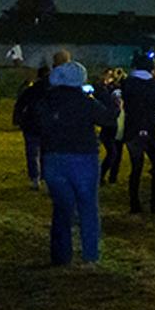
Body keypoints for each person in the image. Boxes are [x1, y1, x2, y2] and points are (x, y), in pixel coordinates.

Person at [35, 59, 118, 266]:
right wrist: (108, 98)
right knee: (88, 206)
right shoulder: (85, 101)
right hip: (83, 157)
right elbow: (108, 119)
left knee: (62, 208)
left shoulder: (47, 100)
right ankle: (90, 253)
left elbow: (38, 124)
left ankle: (61, 255)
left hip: (54, 158)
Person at [119, 54, 155, 214]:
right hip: (150, 127)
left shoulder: (128, 83)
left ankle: (135, 204)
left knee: (136, 167)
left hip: (132, 128)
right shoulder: (151, 84)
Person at [12, 66, 51, 190]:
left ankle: (35, 178)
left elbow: (20, 105)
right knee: (46, 152)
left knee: (32, 153)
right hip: (47, 126)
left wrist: (17, 120)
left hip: (31, 125)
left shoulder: (31, 90)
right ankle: (45, 177)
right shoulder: (54, 90)